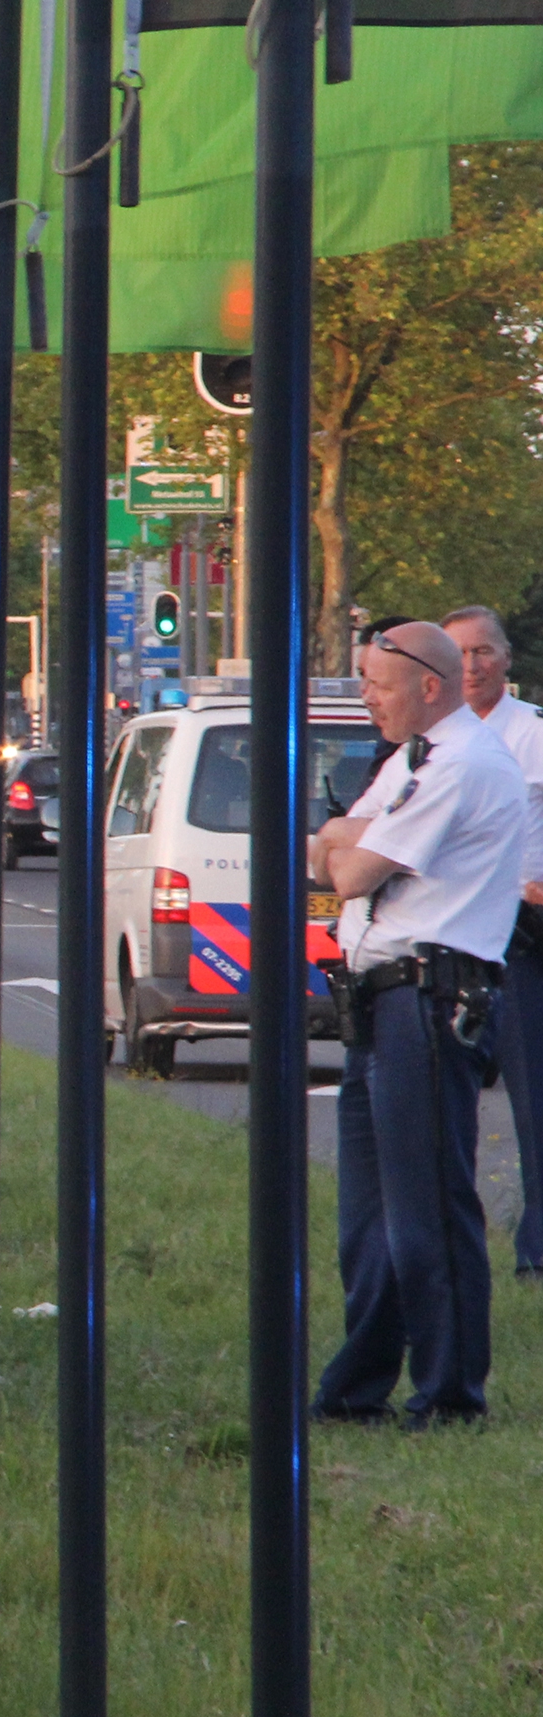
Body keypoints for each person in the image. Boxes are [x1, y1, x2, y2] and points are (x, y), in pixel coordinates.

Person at [310, 619, 528, 1431]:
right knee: (369, 1221)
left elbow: (352, 870)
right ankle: (357, 1389)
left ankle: (450, 1393)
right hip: (378, 1000)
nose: (368, 698)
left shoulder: (463, 763)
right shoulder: (412, 760)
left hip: (428, 1000)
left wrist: (347, 841)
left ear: (429, 686)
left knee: (429, 1209)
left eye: (378, 684)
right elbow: (322, 854)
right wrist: (343, 841)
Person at [442, 603, 543, 1274]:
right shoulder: (433, 742)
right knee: (446, 1103)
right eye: (459, 654)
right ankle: (454, 1247)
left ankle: (536, 1252)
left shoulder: (532, 734)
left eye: (483, 651)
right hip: (451, 938)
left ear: (506, 659)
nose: (472, 665)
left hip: (520, 938)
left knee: (532, 1100)